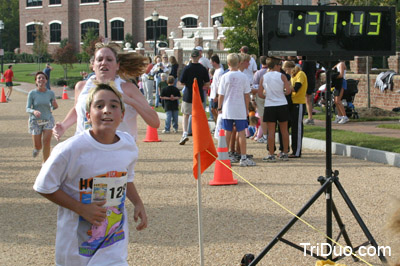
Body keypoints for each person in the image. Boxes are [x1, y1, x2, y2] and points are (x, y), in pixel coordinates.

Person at [33, 83, 147, 266]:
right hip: (75, 250)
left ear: (122, 115)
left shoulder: (128, 145)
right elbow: (43, 186)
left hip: (113, 246)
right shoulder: (70, 149)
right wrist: (81, 208)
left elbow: (126, 177)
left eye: (114, 106)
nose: (107, 110)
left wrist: (138, 202)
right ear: (88, 115)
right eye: (99, 105)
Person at [52, 42, 160, 142]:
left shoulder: (128, 88)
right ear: (93, 65)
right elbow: (78, 111)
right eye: (99, 59)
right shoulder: (81, 87)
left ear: (117, 65)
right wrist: (64, 125)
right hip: (85, 147)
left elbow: (155, 122)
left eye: (109, 59)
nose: (104, 62)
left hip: (117, 150)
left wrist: (129, 101)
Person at [218, 53, 255, 167]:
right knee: (241, 133)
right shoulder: (243, 76)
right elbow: (246, 95)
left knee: (227, 132)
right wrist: (246, 108)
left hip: (228, 107)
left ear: (228, 64)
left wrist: (219, 107)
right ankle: (243, 157)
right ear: (239, 63)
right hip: (240, 108)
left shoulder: (224, 76)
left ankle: (226, 155)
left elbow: (221, 95)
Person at [258, 57, 292, 162]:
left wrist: (267, 96)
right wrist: (282, 93)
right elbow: (288, 91)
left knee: (271, 131)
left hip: (270, 105)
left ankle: (271, 153)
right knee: (284, 130)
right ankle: (285, 152)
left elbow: (260, 93)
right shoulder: (282, 76)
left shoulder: (264, 77)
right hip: (282, 104)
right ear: (276, 66)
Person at [179, 48, 210, 145]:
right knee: (197, 116)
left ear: (191, 56)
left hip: (188, 93)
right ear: (199, 57)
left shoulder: (187, 68)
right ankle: (198, 134)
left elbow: (182, 81)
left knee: (186, 114)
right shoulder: (202, 68)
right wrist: (201, 85)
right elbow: (208, 82)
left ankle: (185, 133)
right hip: (199, 94)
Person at [26, 71, 58, 163]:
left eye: (43, 78)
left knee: (47, 142)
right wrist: (34, 111)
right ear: (36, 81)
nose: (41, 79)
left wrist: (55, 105)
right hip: (35, 121)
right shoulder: (32, 93)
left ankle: (45, 163)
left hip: (48, 119)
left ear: (46, 81)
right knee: (38, 145)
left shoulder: (50, 93)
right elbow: (27, 108)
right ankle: (36, 149)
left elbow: (53, 107)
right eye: (39, 78)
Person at [283, 60, 307, 158]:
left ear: (289, 68)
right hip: (293, 102)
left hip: (299, 103)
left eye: (286, 70)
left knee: (297, 127)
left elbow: (296, 88)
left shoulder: (300, 74)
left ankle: (297, 151)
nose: (286, 72)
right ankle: (292, 149)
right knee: (291, 126)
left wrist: (285, 88)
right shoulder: (293, 76)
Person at [252, 56, 269, 143]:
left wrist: (253, 99)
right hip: (270, 95)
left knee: (262, 116)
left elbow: (255, 86)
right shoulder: (270, 71)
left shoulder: (258, 73)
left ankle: (265, 135)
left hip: (260, 95)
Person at [301, 58, 317, 125]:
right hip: (312, 80)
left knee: (307, 99)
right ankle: (310, 117)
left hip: (307, 81)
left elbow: (302, 71)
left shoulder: (305, 61)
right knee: (308, 99)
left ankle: (310, 118)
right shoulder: (313, 61)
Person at [210, 54, 223, 123]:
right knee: (212, 109)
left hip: (216, 94)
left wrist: (217, 96)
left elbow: (220, 84)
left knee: (215, 110)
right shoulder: (216, 70)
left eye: (211, 62)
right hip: (213, 94)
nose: (210, 63)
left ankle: (219, 124)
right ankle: (217, 123)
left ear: (214, 62)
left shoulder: (220, 71)